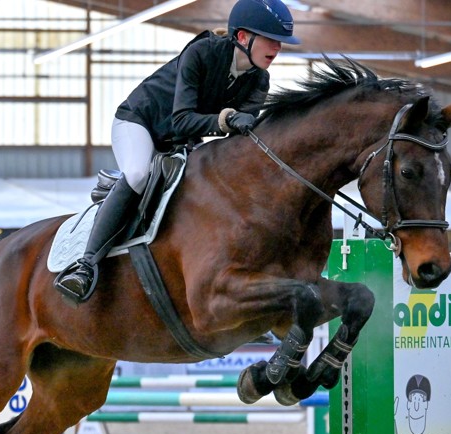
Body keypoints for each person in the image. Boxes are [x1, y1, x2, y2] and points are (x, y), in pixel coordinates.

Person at [55, 0, 301, 304]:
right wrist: (226, 119)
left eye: (280, 43)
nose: (277, 48)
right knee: (138, 174)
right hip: (140, 123)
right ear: (242, 37)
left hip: (180, 142)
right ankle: (85, 265)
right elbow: (182, 120)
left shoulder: (259, 80)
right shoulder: (202, 53)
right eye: (271, 40)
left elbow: (242, 137)